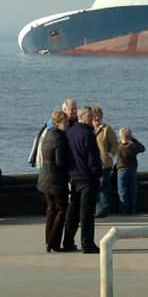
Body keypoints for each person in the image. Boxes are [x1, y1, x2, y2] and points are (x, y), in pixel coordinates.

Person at [63, 106, 102, 254]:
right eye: (91, 116)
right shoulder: (88, 134)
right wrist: (97, 174)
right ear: (84, 117)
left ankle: (67, 241)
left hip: (74, 177)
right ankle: (87, 243)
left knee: (73, 212)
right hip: (87, 179)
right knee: (86, 213)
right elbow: (93, 159)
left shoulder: (70, 133)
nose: (93, 119)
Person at [36, 111, 70, 252]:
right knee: (61, 211)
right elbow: (60, 162)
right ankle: (53, 243)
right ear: (58, 123)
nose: (67, 124)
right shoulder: (60, 139)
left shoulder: (48, 134)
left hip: (44, 179)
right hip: (56, 180)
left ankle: (48, 241)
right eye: (65, 122)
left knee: (51, 210)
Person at [92, 106, 119, 218]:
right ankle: (94, 208)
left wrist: (109, 155)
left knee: (103, 187)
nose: (97, 117)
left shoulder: (107, 129)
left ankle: (102, 210)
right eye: (95, 115)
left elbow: (115, 144)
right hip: (92, 164)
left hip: (104, 164)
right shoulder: (88, 129)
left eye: (99, 115)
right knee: (94, 187)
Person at [115, 127, 146, 215]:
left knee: (122, 191)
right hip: (132, 169)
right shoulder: (133, 146)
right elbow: (142, 148)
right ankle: (133, 210)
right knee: (133, 190)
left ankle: (124, 210)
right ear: (129, 136)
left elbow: (110, 150)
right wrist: (134, 139)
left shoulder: (118, 146)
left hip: (121, 170)